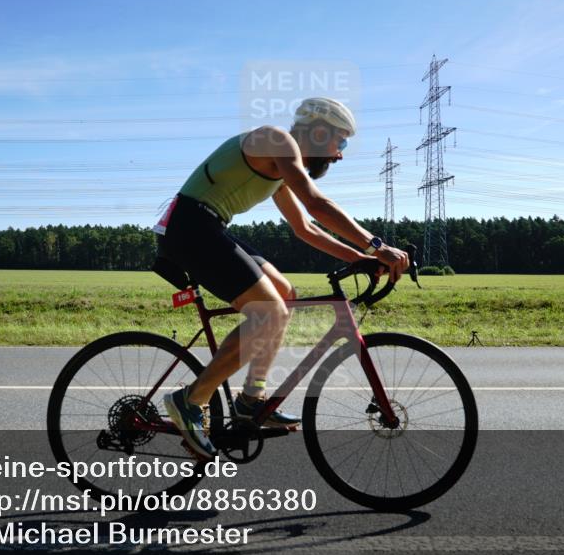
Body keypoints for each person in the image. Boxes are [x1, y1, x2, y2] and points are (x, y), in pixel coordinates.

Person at [154, 97, 410, 459]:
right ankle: (191, 400)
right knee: (268, 311)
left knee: (284, 294)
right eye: (342, 142)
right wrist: (375, 245)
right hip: (189, 227)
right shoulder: (276, 141)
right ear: (319, 131)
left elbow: (305, 228)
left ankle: (252, 401)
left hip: (208, 226)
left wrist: (359, 258)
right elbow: (316, 204)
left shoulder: (281, 164)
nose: (340, 155)